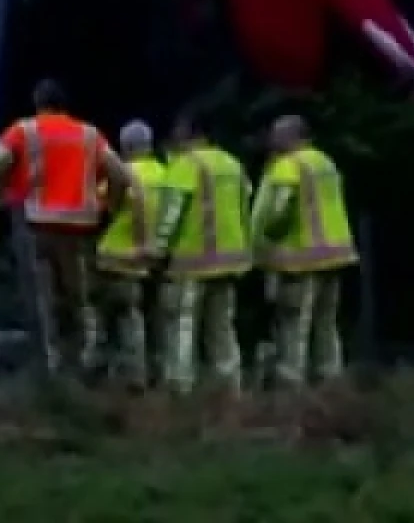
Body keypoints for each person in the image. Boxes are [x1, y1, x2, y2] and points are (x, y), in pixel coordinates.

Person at [0, 78, 136, 380]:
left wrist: (1, 199)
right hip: (81, 227)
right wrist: (108, 205)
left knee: (44, 300)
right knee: (81, 298)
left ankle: (53, 369)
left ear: (37, 103)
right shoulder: (90, 134)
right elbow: (120, 175)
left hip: (38, 226)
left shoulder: (23, 131)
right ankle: (88, 361)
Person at [252, 114, 357, 388]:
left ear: (292, 136)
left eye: (277, 134)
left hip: (299, 258)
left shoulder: (288, 166)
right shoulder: (325, 161)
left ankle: (291, 380)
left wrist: (268, 236)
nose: (272, 140)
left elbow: (279, 210)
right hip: (335, 255)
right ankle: (330, 379)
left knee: (294, 324)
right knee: (326, 323)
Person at [153, 108, 252, 395]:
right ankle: (231, 387)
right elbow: (245, 208)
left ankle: (180, 387)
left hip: (192, 261)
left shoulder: (185, 165)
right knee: (222, 328)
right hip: (230, 262)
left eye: (179, 128)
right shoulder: (233, 164)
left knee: (183, 325)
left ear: (192, 132)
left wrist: (159, 250)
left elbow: (171, 214)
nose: (175, 134)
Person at [93, 119, 172, 388]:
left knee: (124, 319)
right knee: (154, 319)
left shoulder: (123, 174)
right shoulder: (167, 174)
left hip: (119, 257)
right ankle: (157, 374)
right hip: (155, 257)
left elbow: (101, 208)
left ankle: (131, 379)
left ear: (125, 146)